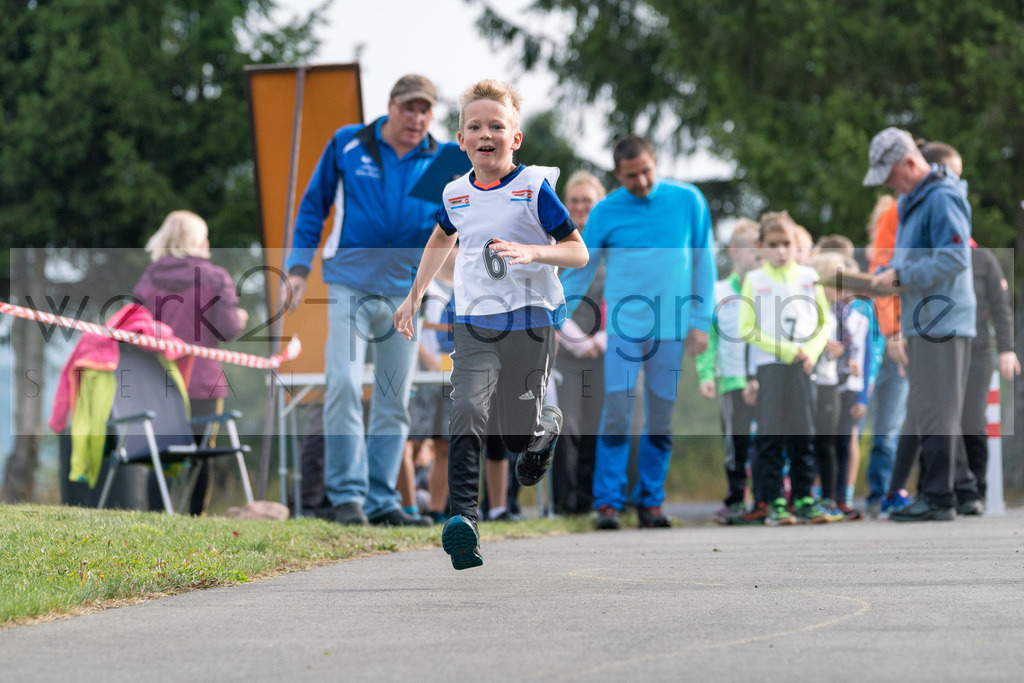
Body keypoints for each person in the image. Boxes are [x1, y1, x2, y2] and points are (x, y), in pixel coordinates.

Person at [394, 79, 588, 569]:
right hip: (475, 320)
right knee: (466, 412)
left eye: (496, 126)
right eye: (474, 127)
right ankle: (464, 523)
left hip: (532, 320)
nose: (486, 134)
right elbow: (440, 239)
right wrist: (414, 297)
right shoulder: (456, 193)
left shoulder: (532, 189)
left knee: (515, 437)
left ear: (515, 138)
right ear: (461, 141)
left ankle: (543, 427)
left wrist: (533, 251)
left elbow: (577, 251)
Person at [280, 75, 454, 527]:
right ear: (391, 106)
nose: (417, 118)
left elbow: (451, 223)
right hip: (349, 284)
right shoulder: (349, 143)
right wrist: (298, 269)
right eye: (409, 108)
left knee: (396, 397)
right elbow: (313, 206)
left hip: (406, 291)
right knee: (342, 382)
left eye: (425, 110)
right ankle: (348, 497)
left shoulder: (440, 158)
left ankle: (382, 499)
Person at [560, 135, 716, 531]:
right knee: (616, 414)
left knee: (660, 417)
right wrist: (552, 311)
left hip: (672, 328)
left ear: (655, 161)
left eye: (646, 171)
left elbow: (704, 264)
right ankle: (609, 503)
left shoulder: (689, 200)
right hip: (624, 331)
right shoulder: (606, 211)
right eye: (631, 176)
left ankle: (651, 501)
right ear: (617, 174)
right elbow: (582, 267)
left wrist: (701, 322)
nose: (642, 181)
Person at [867, 127, 977, 522]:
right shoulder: (913, 199)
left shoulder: (942, 196)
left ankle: (937, 497)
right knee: (930, 407)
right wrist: (883, 275)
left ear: (910, 164)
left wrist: (900, 276)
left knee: (935, 411)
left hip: (942, 318)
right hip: (925, 317)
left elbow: (955, 258)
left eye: (890, 175)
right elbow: (912, 260)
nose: (888, 184)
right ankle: (957, 494)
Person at [133, 210, 248, 514]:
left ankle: (158, 515)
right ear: (196, 240)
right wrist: (239, 318)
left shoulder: (150, 277)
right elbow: (227, 329)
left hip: (160, 379)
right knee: (201, 452)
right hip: (203, 380)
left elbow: (136, 326)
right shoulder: (214, 277)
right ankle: (195, 516)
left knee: (160, 451)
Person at [738, 211, 831, 525]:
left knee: (803, 434)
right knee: (772, 436)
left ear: (795, 244)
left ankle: (805, 498)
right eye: (773, 244)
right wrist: (785, 350)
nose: (780, 250)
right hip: (771, 367)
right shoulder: (754, 280)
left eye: (786, 243)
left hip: (804, 368)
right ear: (760, 246)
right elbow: (746, 327)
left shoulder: (808, 277)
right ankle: (775, 500)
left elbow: (824, 321)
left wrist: (813, 352)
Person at [696, 219, 761, 525]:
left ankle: (764, 498)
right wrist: (706, 375)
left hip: (764, 379)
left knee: (767, 443)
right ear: (735, 251)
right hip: (732, 380)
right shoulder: (718, 291)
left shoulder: (766, 289)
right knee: (736, 444)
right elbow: (708, 340)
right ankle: (736, 499)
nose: (758, 257)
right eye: (753, 250)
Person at [552, 170, 608, 515]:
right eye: (574, 201)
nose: (581, 206)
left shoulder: (610, 251)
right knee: (567, 426)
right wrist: (577, 341)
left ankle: (591, 501)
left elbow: (624, 301)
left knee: (595, 427)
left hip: (604, 354)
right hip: (566, 356)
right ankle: (565, 503)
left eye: (588, 201)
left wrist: (599, 341)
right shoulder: (555, 247)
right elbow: (547, 298)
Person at [862, 194, 911, 517]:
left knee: (888, 431)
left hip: (897, 355)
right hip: (864, 357)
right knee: (847, 430)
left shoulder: (906, 263)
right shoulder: (859, 267)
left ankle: (884, 493)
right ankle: (834, 493)